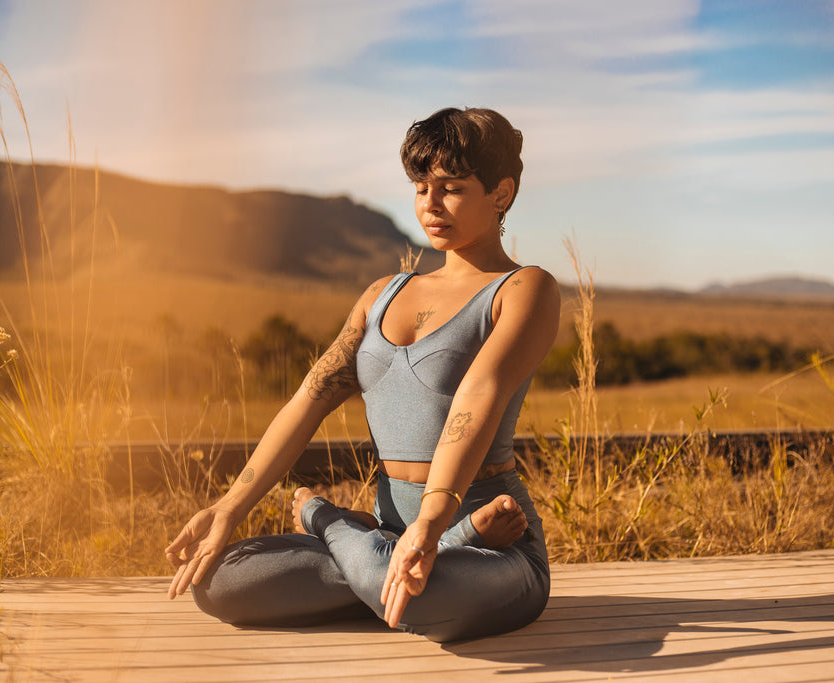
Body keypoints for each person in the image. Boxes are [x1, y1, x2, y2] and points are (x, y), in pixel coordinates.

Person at [165, 107, 561, 642]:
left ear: (501, 193)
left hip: (493, 548)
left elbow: (478, 394)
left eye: (452, 187)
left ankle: (332, 525)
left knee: (423, 592)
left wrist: (431, 524)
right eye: (421, 186)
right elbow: (310, 397)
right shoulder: (382, 295)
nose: (430, 203)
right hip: (391, 531)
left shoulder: (522, 290)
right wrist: (228, 508)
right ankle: (384, 572)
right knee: (218, 581)